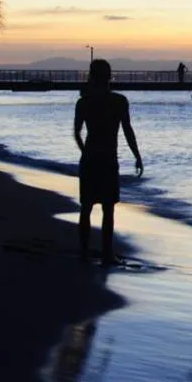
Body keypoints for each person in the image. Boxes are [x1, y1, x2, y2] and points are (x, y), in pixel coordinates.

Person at [73, 59, 143, 265]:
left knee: (86, 208)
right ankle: (106, 253)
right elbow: (128, 131)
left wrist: (85, 151)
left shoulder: (84, 103)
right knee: (108, 209)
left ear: (91, 77)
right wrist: (137, 155)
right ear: (109, 77)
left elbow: (77, 133)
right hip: (108, 159)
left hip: (90, 159)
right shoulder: (119, 101)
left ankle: (85, 253)